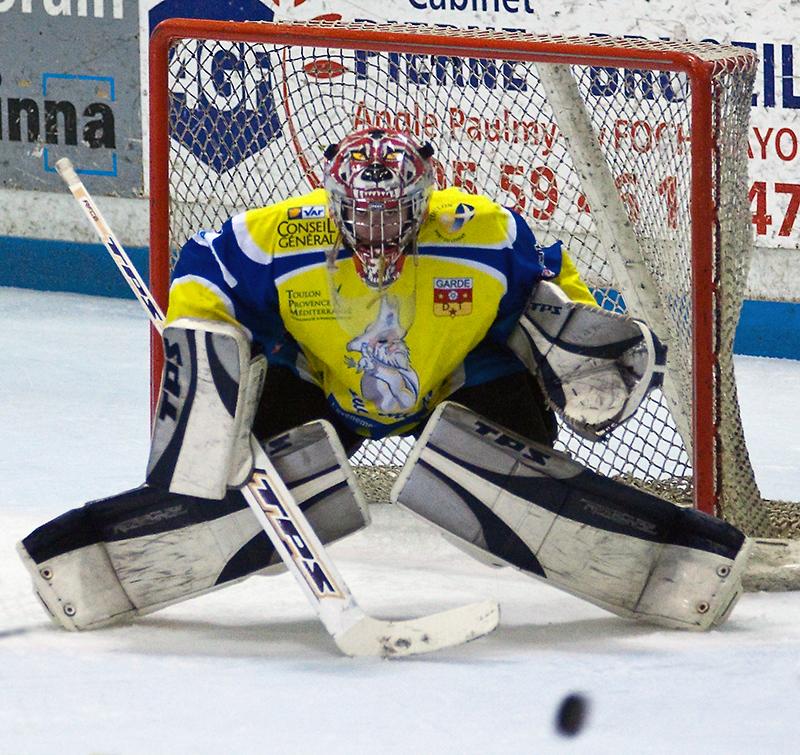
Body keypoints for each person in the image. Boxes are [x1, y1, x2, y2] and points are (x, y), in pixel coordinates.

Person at [20, 128, 747, 635]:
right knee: (261, 469)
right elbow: (201, 271)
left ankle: (593, 538)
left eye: (392, 217)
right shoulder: (284, 234)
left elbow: (548, 278)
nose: (375, 235)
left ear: (424, 200)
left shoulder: (480, 231)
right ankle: (198, 531)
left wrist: (574, 345)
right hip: (325, 388)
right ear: (331, 200)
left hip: (459, 382)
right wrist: (209, 359)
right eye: (359, 219)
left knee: (497, 471)